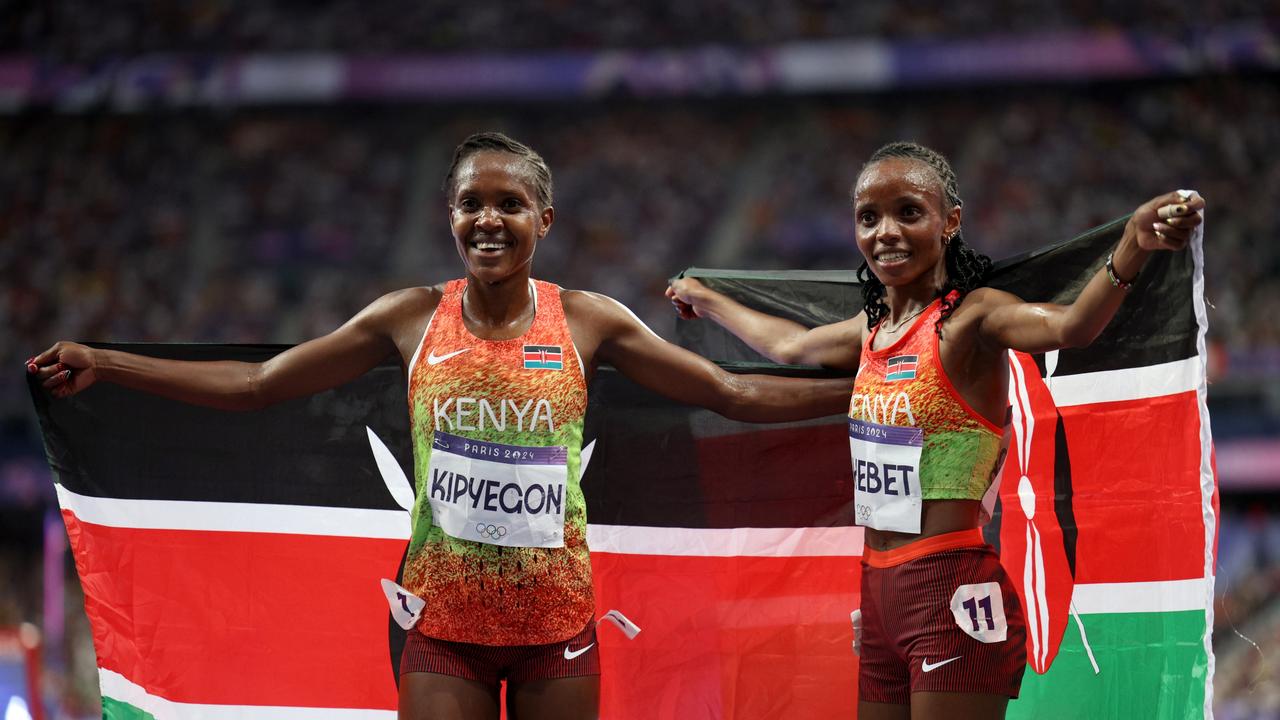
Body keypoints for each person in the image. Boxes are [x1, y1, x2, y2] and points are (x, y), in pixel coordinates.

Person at [28, 132, 852, 720]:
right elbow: (258, 384)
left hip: (556, 625)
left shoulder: (590, 323)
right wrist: (110, 363)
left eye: (509, 204)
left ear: (545, 220)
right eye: (471, 204)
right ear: (449, 215)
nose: (488, 220)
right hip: (441, 627)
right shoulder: (412, 318)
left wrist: (866, 388)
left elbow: (730, 395)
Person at [666, 141, 1204, 720]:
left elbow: (1070, 326)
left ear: (950, 222)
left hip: (952, 587)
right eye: (868, 218)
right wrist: (705, 298)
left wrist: (1131, 247)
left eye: (909, 212)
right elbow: (790, 345)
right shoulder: (870, 334)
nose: (886, 232)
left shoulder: (973, 319)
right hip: (877, 591)